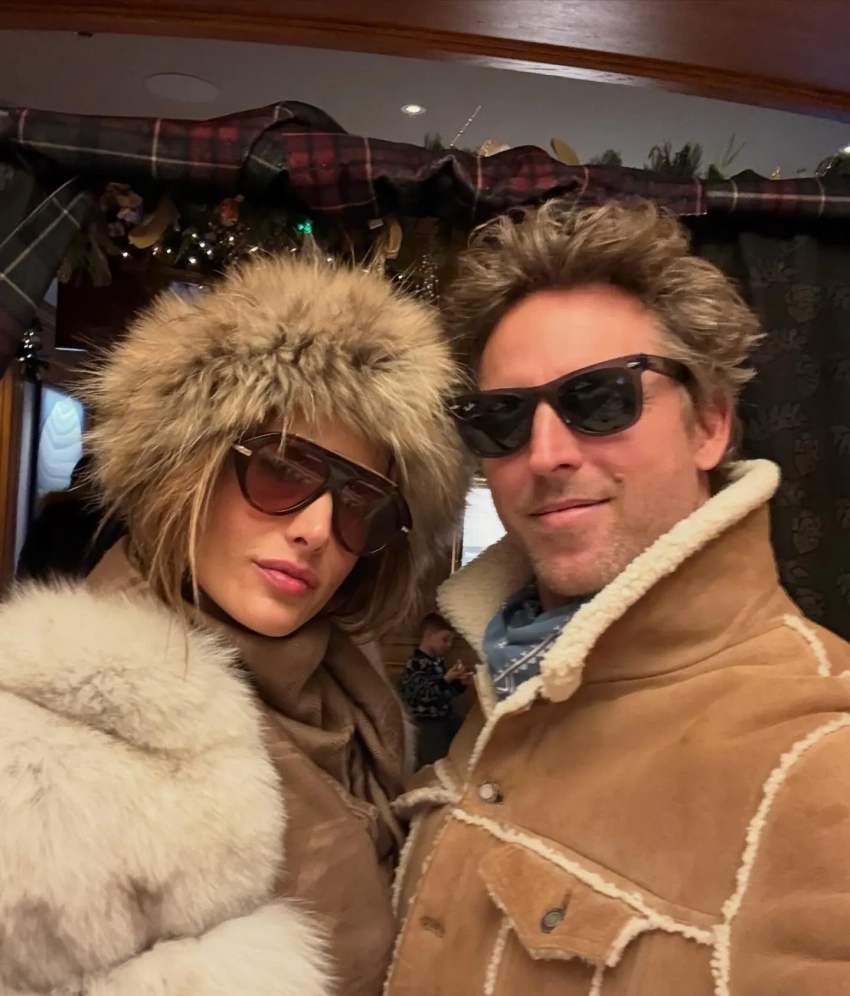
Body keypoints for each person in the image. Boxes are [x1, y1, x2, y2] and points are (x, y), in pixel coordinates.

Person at [385, 199, 850, 996]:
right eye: (503, 418)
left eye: (599, 398)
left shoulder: (822, 758)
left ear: (710, 423)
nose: (545, 455)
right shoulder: (503, 672)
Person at [0, 253, 469, 996]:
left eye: (360, 503)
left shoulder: (355, 709)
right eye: (283, 469)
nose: (318, 528)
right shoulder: (45, 750)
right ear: (188, 468)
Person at [16, 453, 126, 582]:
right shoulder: (113, 522)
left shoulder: (51, 516)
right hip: (92, 591)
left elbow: (26, 571)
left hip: (46, 590)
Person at [399, 612, 470, 767]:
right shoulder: (416, 663)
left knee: (467, 731)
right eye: (445, 639)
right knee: (434, 760)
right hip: (427, 721)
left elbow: (445, 692)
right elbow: (422, 695)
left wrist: (460, 684)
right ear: (429, 635)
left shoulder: (438, 661)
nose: (449, 645)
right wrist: (446, 679)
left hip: (445, 716)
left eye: (450, 640)